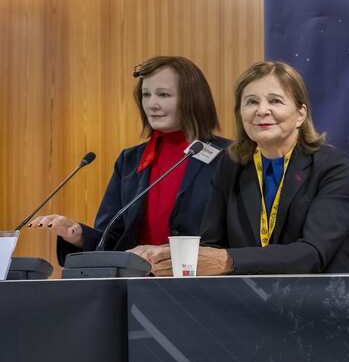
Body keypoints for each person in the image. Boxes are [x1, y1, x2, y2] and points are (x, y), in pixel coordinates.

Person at [140, 60, 349, 276]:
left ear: (300, 114)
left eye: (275, 101)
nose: (262, 110)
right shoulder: (230, 164)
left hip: (326, 299)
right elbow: (212, 245)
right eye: (251, 102)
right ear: (241, 114)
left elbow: (312, 254)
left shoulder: (333, 167)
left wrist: (229, 261)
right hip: (251, 299)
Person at [26, 56, 227, 262]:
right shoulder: (130, 160)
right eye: (145, 94)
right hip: (136, 284)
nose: (152, 104)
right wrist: (77, 234)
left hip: (201, 284)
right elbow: (111, 238)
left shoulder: (227, 156)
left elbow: (236, 239)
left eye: (164, 95)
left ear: (193, 99)